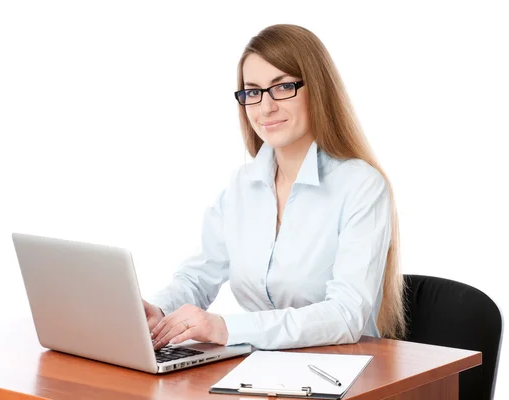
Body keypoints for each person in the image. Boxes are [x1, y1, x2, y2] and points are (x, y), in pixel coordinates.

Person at [144, 23, 406, 351]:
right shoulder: (242, 186)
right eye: (252, 91)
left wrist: (226, 329)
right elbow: (198, 276)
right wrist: (158, 309)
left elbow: (345, 315)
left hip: (343, 373)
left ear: (318, 89)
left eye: (282, 87)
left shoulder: (361, 187)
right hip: (262, 372)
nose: (265, 107)